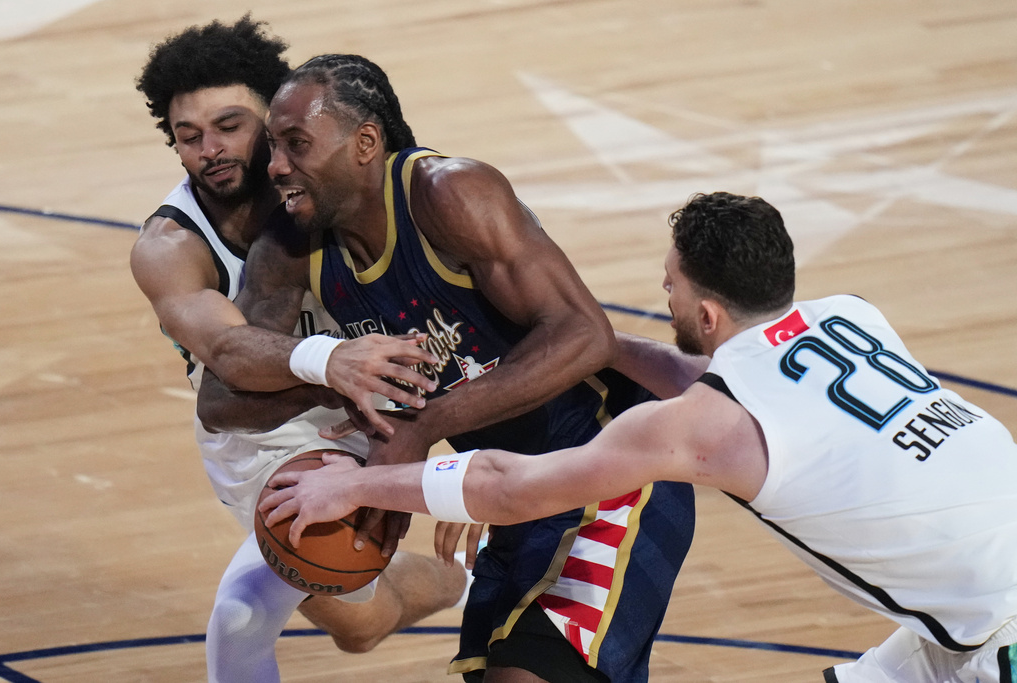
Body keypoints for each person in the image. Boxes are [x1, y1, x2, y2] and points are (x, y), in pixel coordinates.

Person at [261, 190, 1017, 683]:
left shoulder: (704, 429)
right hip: (968, 601)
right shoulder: (850, 313)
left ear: (709, 314)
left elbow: (506, 486)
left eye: (671, 285)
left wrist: (353, 483)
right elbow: (707, 373)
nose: (666, 294)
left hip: (999, 636)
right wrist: (597, 340)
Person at [201, 53, 698, 682]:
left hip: (606, 468)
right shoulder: (292, 246)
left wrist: (422, 427)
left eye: (297, 145)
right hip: (506, 497)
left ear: (365, 143)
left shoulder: (448, 193)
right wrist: (334, 374)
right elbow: (219, 401)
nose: (276, 167)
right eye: (273, 147)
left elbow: (584, 335)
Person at [130, 17, 466, 683]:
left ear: (275, 115)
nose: (210, 149)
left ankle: (475, 565)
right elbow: (227, 354)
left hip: (371, 403)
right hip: (258, 427)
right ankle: (462, 578)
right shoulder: (170, 247)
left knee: (239, 617)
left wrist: (464, 446)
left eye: (230, 125)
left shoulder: (338, 185)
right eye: (188, 136)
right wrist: (327, 362)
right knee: (359, 625)